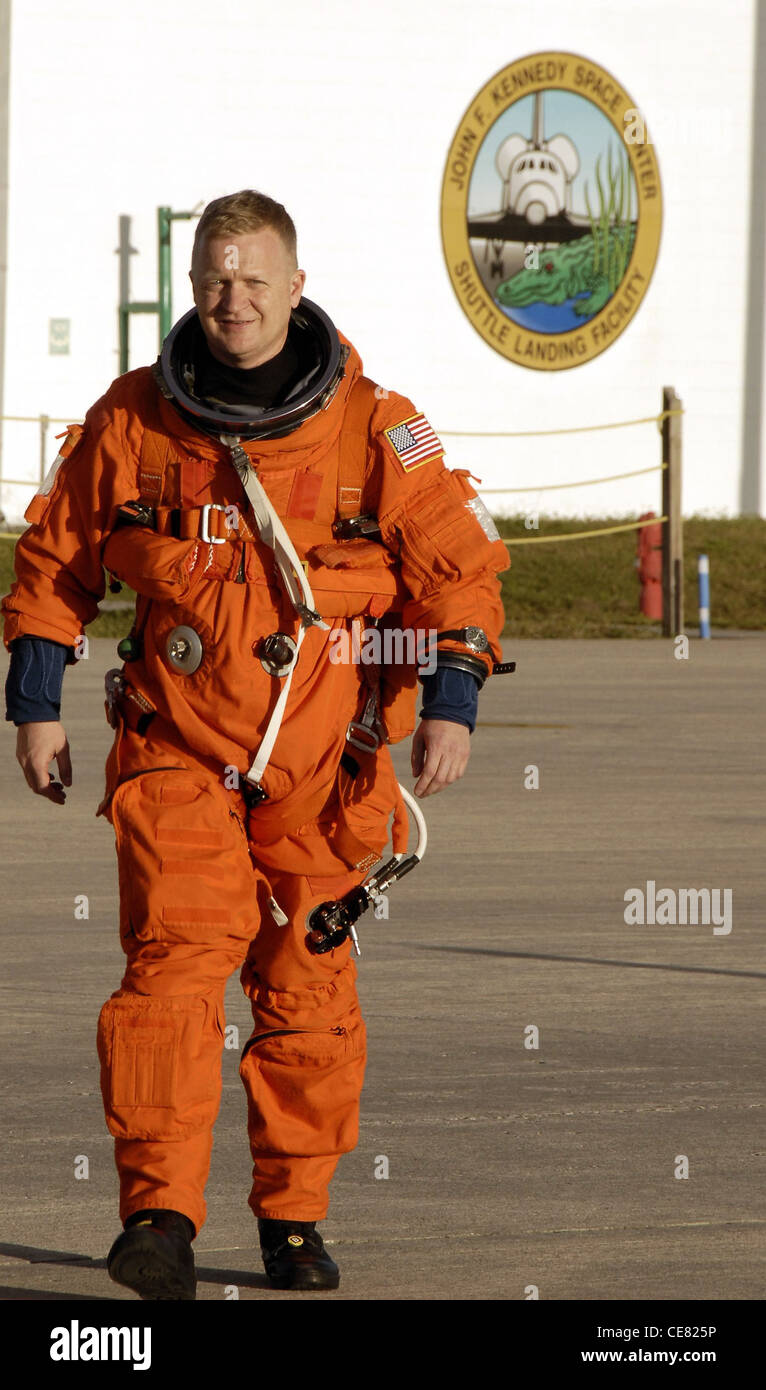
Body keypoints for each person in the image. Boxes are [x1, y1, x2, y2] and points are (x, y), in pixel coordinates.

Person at [2, 190, 509, 1300]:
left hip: (327, 773)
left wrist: (454, 706)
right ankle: (159, 1217)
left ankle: (291, 1219)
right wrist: (35, 705)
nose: (231, 300)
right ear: (192, 289)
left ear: (295, 285)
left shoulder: (377, 429)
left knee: (307, 993)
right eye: (212, 281)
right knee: (173, 972)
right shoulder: (133, 422)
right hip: (177, 752)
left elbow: (459, 573)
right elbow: (55, 565)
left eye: (252, 280)